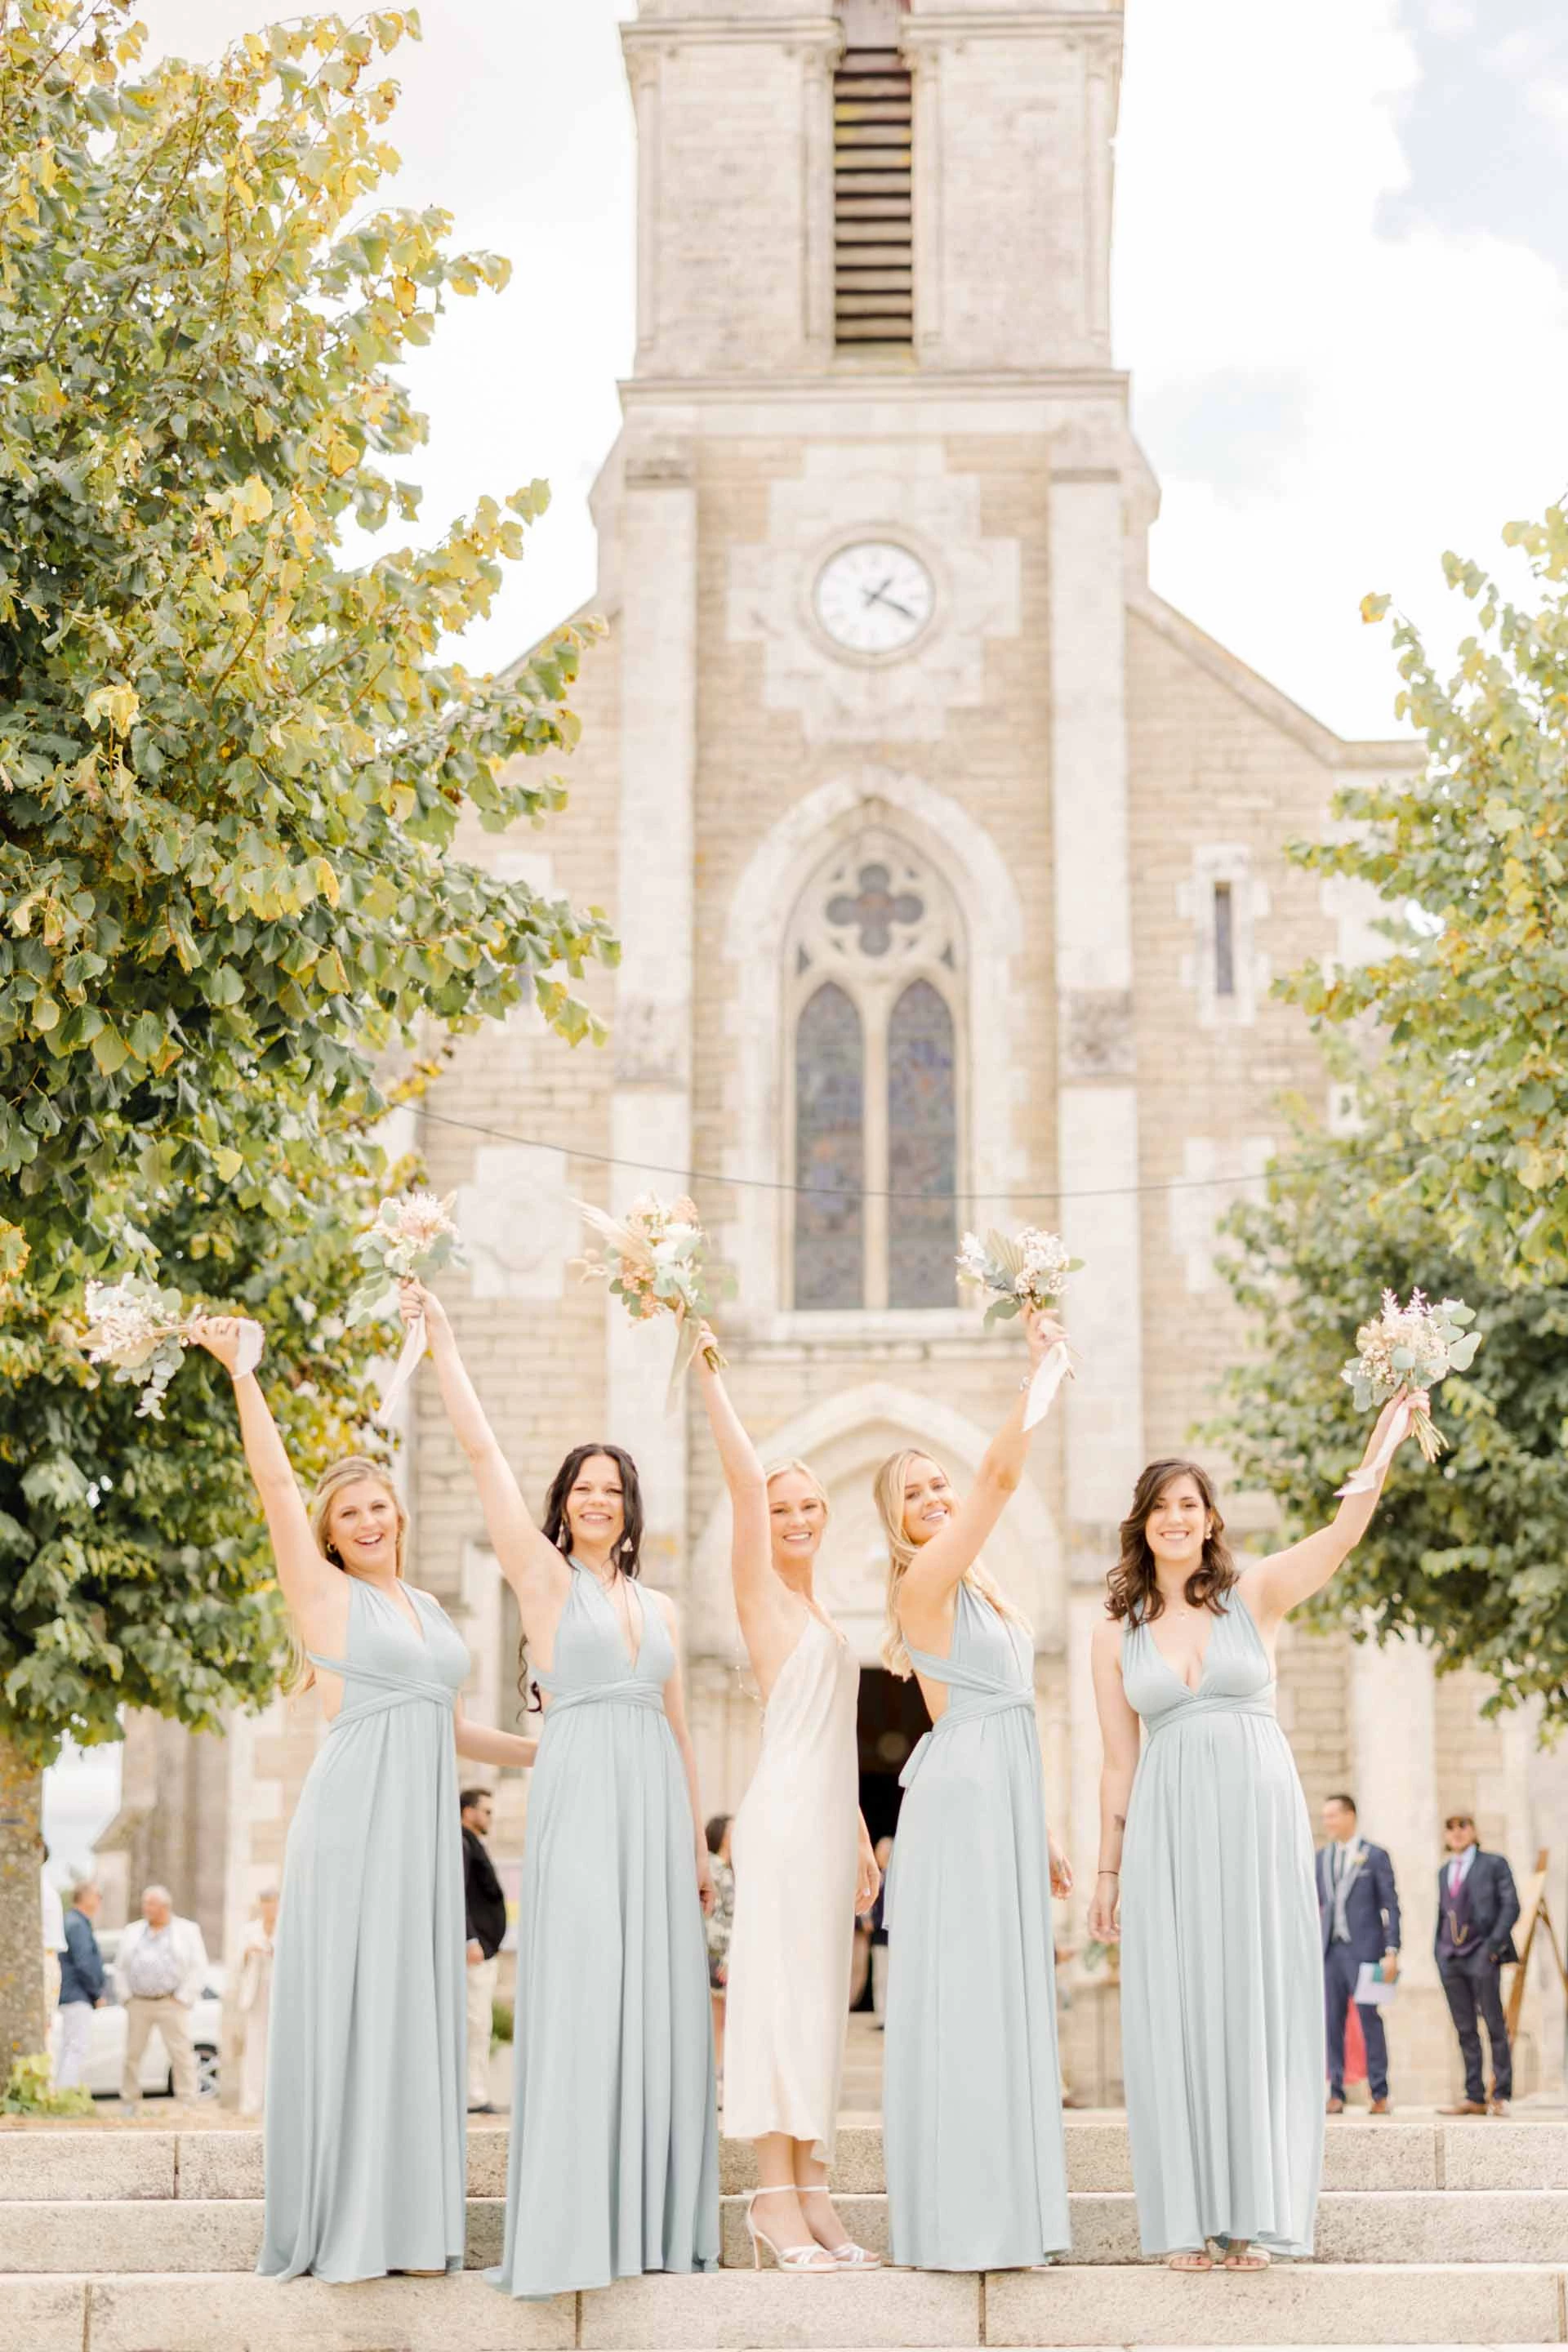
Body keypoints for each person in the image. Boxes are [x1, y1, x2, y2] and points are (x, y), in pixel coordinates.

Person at [194, 1315, 536, 2282]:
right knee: (354, 2011)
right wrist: (246, 1378)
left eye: (379, 1506)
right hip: (351, 1826)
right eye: (351, 1516)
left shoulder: (426, 1611)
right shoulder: (323, 1598)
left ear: (399, 1512)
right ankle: (344, 2220)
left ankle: (410, 2226)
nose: (370, 1522)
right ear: (332, 1536)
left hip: (419, 1836)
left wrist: (545, 1751)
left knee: (411, 2014)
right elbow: (273, 1484)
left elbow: (449, 1723)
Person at [406, 1278, 719, 2301]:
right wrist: (447, 1342)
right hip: (583, 1796)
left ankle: (647, 2217)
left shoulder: (663, 1604)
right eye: (583, 1487)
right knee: (587, 1991)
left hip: (653, 1809)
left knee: (657, 2004)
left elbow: (679, 1729)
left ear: (630, 1509)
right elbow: (486, 1457)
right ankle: (573, 2216)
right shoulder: (543, 1582)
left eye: (613, 1490)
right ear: (565, 1502)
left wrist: (698, 1847)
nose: (596, 1500)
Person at [1089, 1397, 1412, 2273]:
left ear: (1210, 1520)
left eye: (1188, 1505)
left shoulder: (1255, 1592)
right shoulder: (1113, 1634)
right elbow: (1118, 1764)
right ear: (1142, 1526)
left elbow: (1343, 1534)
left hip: (1258, 1818)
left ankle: (1253, 2215)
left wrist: (1386, 1432)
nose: (1175, 1520)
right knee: (1181, 2009)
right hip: (1167, 1828)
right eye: (1160, 1508)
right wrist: (1108, 1874)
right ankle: (1190, 2221)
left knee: (1257, 2002)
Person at [876, 1307, 1073, 2273]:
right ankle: (964, 2218)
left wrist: (1036, 1830)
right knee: (969, 1998)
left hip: (998, 1793)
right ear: (896, 1521)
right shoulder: (926, 1582)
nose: (936, 1497)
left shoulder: (981, 1587)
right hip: (957, 1801)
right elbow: (1000, 1475)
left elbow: (1006, 1714)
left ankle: (1005, 2210)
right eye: (915, 1493)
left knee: (1002, 1999)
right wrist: (1037, 1381)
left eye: (937, 1483)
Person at [695, 1347, 880, 2271]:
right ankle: (771, 2197)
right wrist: (708, 1374)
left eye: (809, 1506)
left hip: (824, 1817)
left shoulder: (829, 1613)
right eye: (782, 1509)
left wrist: (855, 1834)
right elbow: (739, 1477)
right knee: (775, 1994)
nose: (797, 1519)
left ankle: (813, 2189)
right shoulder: (760, 1592)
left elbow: (832, 1733)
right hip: (777, 1816)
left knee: (817, 2004)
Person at [1317, 1793, 1401, 2114]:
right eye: (1325, 1817)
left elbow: (1390, 1905)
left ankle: (1379, 2092)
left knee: (1369, 2019)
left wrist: (1392, 1949)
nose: (1328, 1823)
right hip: (1330, 1953)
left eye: (1333, 1816)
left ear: (1350, 1815)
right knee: (1331, 2021)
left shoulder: (1375, 1856)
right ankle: (1335, 2090)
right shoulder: (1321, 1858)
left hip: (1366, 1952)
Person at [1435, 1811, 1521, 2118]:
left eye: (1463, 1826)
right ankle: (1474, 2095)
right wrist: (1439, 1953)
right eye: (1450, 1827)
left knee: (1494, 2023)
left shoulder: (1494, 1864)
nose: (1456, 1832)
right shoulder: (1444, 1871)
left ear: (1473, 1831)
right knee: (1465, 2028)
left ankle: (1500, 2094)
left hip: (1483, 1954)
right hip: (1451, 1957)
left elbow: (1511, 1905)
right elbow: (1443, 1913)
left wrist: (1492, 1948)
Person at [115, 1884, 208, 2110]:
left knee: (181, 2053)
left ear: (165, 1906)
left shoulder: (186, 1930)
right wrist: (126, 1997)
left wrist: (184, 1997)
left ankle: (188, 2100)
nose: (146, 1908)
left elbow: (199, 1966)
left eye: (151, 1904)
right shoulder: (133, 1931)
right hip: (139, 2002)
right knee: (133, 2054)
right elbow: (120, 1966)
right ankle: (130, 2100)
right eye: (145, 1903)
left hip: (171, 2002)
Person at [461, 1789, 506, 2114]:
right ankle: (472, 2095)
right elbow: (457, 1892)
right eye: (486, 1811)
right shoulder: (461, 1843)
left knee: (480, 2022)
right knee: (473, 2021)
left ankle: (476, 2091)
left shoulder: (473, 1843)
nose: (490, 1818)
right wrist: (469, 1939)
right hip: (474, 1950)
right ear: (468, 1812)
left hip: (484, 1949)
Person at [56, 1880, 106, 2092]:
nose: (99, 1901)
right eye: (97, 1896)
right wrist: (97, 1992)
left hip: (70, 1993)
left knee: (68, 2047)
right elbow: (84, 1962)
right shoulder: (77, 1924)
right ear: (85, 1898)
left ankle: (60, 2092)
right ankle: (64, 2095)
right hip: (77, 1995)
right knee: (76, 2047)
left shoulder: (72, 1921)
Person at [234, 1891, 279, 2119]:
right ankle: (251, 2102)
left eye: (272, 1904)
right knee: (254, 2049)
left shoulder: (287, 1927)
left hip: (280, 1995)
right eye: (265, 1904)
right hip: (256, 1994)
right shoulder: (249, 1930)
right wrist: (249, 1951)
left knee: (277, 2049)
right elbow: (237, 1966)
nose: (269, 1908)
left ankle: (275, 2102)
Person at [704, 1815, 734, 2082]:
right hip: (717, 1955)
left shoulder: (726, 1869)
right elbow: (718, 1917)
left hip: (723, 1954)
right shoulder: (716, 1869)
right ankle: (716, 2074)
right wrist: (725, 1956)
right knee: (717, 2018)